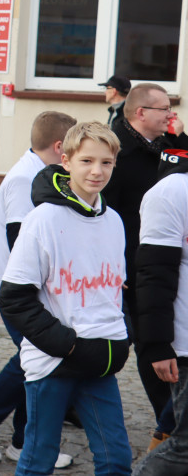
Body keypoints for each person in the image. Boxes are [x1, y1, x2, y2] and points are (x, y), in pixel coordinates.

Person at [0, 122, 131, 476]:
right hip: (53, 362)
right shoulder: (42, 219)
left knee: (116, 460)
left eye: (106, 162)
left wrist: (122, 335)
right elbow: (15, 298)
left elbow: (116, 291)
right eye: (87, 160)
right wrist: (68, 345)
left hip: (101, 361)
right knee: (38, 458)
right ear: (66, 160)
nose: (97, 171)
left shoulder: (114, 221)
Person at [0, 111, 77, 467]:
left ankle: (23, 441)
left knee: (38, 361)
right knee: (32, 360)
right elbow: (22, 241)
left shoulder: (42, 174)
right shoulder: (27, 179)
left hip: (38, 292)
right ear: (59, 146)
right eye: (74, 148)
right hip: (21, 293)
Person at [105, 82, 188, 434]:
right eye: (163, 109)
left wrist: (182, 138)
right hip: (133, 264)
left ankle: (171, 421)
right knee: (148, 342)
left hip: (167, 258)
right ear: (141, 113)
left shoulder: (167, 146)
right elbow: (107, 214)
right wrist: (116, 263)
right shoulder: (116, 154)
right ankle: (166, 421)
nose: (171, 114)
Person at [134, 148, 188, 475]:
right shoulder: (171, 192)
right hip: (184, 340)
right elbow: (154, 273)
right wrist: (157, 343)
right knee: (185, 446)